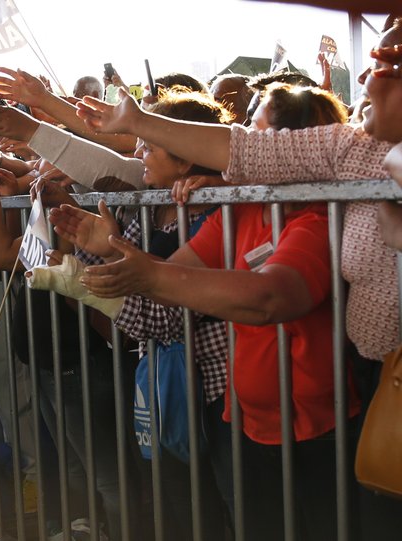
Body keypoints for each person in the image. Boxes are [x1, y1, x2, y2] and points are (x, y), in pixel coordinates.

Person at [74, 18, 402, 540]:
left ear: (296, 146)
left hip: (326, 420)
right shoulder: (346, 153)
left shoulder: (317, 217)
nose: (368, 75)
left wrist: (147, 274)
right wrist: (107, 257)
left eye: (389, 63)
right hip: (268, 414)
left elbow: (270, 296)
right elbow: (236, 160)